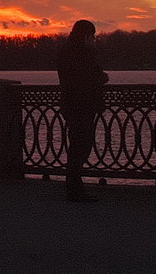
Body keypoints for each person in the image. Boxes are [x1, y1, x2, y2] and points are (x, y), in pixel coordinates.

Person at [56, 19, 109, 202]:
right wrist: (102, 77)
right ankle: (75, 190)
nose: (93, 40)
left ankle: (74, 188)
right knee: (81, 147)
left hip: (70, 105)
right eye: (92, 36)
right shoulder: (84, 54)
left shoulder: (65, 52)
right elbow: (91, 77)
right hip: (82, 105)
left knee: (76, 146)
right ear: (86, 35)